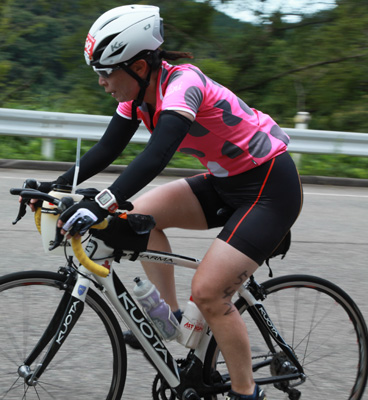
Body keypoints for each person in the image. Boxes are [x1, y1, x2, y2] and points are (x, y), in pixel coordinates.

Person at [28, 5, 303, 400]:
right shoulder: (138, 96)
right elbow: (108, 148)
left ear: (139, 66)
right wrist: (54, 187)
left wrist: (102, 202)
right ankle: (170, 321)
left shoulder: (183, 84)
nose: (102, 82)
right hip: (226, 181)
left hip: (270, 188)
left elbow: (157, 155)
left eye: (106, 72)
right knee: (139, 216)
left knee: (209, 293)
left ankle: (246, 392)